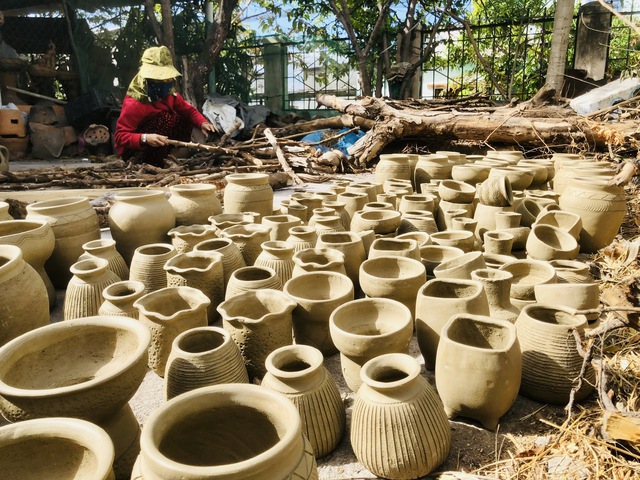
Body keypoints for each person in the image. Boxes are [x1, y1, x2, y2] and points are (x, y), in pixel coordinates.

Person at [114, 46, 218, 166]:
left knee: (183, 118)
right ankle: (151, 162)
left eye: (167, 80)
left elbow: (188, 111)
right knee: (165, 118)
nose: (165, 83)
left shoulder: (169, 94)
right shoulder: (135, 102)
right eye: (159, 80)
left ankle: (167, 155)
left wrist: (202, 123)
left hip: (159, 142)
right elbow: (120, 137)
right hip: (136, 150)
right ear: (149, 80)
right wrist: (145, 138)